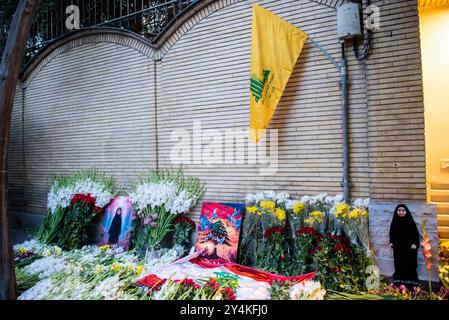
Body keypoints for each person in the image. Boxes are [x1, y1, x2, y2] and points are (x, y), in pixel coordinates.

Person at [389, 204, 420, 290]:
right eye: (399, 210)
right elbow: (391, 233)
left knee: (410, 264)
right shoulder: (395, 221)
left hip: (409, 249)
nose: (401, 212)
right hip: (398, 248)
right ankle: (400, 283)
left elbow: (416, 234)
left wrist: (415, 243)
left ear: (406, 212)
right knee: (399, 264)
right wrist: (391, 242)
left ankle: (411, 284)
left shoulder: (410, 222)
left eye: (403, 210)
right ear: (396, 212)